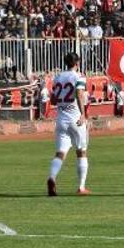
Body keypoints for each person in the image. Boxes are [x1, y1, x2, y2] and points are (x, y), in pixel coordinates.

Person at [46, 52, 91, 197]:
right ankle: (81, 187)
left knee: (60, 153)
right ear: (77, 63)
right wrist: (83, 114)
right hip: (75, 118)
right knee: (81, 152)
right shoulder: (79, 77)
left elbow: (53, 100)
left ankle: (52, 177)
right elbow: (78, 93)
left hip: (61, 119)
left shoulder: (58, 77)